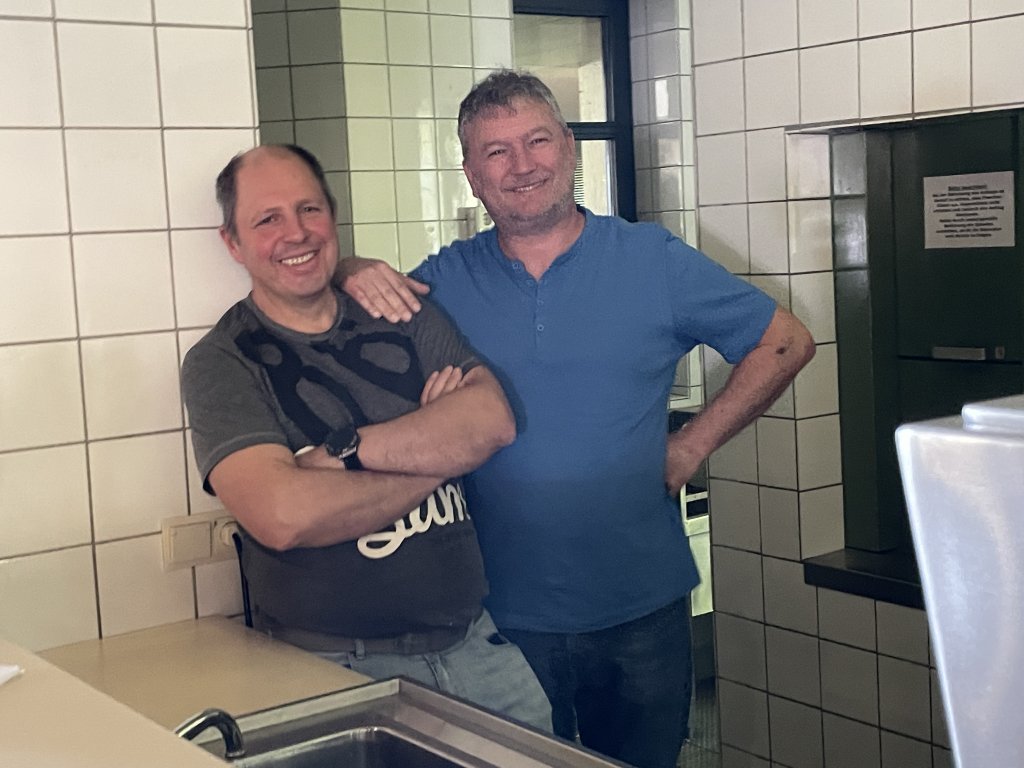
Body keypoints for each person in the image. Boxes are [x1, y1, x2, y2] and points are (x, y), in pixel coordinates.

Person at [337, 70, 816, 768]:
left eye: (537, 141)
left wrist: (691, 446)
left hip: (640, 608)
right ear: (471, 175)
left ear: (569, 147)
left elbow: (785, 343)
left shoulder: (650, 259)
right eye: (496, 151)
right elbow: (336, 336)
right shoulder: (444, 280)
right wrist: (349, 267)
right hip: (498, 617)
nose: (522, 165)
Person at [180, 143, 551, 732]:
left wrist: (344, 454)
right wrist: (444, 455)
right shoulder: (222, 362)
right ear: (233, 242)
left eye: (309, 209)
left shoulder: (399, 310)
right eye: (267, 219)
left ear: (333, 215)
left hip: (477, 651)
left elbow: (491, 422)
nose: (296, 232)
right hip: (331, 668)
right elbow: (282, 516)